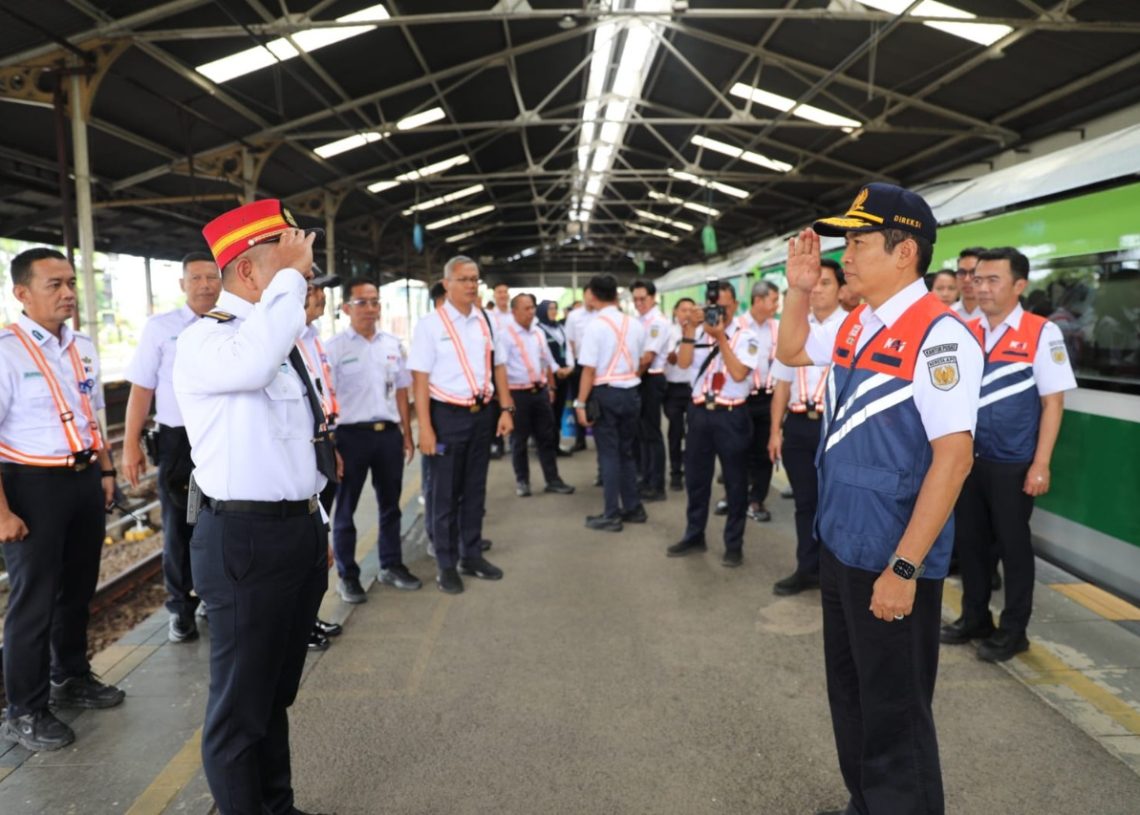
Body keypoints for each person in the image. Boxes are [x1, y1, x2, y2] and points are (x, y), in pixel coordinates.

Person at [777, 183, 982, 815]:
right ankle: (864, 803)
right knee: (852, 692)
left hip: (891, 551)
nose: (846, 255)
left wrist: (904, 568)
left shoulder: (940, 336)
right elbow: (789, 351)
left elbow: (954, 457)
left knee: (895, 708)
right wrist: (797, 287)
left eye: (858, 242)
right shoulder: (856, 322)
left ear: (905, 253)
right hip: (842, 541)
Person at [175, 200, 334, 815]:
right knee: (240, 709)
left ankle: (277, 805)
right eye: (288, 263)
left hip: (293, 534)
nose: (304, 276)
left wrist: (314, 523)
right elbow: (255, 360)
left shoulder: (276, 339)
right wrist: (291, 279)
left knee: (273, 696)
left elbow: (297, 446)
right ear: (248, 273)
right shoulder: (208, 342)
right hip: (242, 538)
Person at [0, 248, 124, 753]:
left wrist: (107, 471)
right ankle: (24, 710)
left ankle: (69, 676)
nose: (68, 293)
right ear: (22, 294)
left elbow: (93, 413)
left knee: (77, 589)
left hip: (83, 480)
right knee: (33, 602)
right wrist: (3, 511)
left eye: (71, 283)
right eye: (54, 284)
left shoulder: (84, 348)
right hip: (31, 487)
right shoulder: (6, 352)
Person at [941, 247, 1076, 662]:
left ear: (1019, 285)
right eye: (977, 279)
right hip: (969, 459)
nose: (980, 287)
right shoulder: (965, 329)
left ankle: (1014, 631)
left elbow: (1053, 403)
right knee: (972, 543)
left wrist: (1040, 463)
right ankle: (975, 618)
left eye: (991, 280)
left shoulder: (1041, 332)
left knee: (1014, 548)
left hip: (1013, 462)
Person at [122, 251, 222, 643]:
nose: (205, 285)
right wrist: (130, 443)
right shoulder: (160, 328)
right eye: (196, 278)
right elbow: (142, 387)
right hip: (179, 442)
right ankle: (181, 608)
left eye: (212, 277)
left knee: (222, 520)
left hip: (223, 436)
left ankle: (214, 597)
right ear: (182, 284)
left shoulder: (234, 323)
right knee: (180, 527)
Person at [410, 256, 512, 594]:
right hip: (446, 417)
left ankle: (471, 555)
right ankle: (445, 563)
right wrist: (424, 428)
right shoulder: (430, 325)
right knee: (444, 495)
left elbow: (498, 367)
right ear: (447, 284)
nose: (471, 285)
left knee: (474, 490)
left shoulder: (485, 321)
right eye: (464, 279)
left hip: (481, 415)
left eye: (475, 279)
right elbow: (420, 381)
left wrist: (505, 409)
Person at [325, 277, 419, 604]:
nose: (369, 308)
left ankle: (391, 565)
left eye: (374, 302)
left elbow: (403, 390)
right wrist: (333, 442)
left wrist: (408, 434)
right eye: (362, 302)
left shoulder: (392, 344)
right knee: (346, 508)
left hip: (388, 436)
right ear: (347, 308)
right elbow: (327, 398)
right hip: (350, 437)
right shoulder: (334, 349)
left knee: (390, 505)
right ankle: (348, 576)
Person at [668, 281, 762, 567]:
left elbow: (737, 373)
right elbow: (683, 364)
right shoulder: (696, 333)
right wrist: (688, 330)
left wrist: (720, 337)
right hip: (699, 413)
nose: (716, 313)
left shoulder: (747, 336)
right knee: (696, 479)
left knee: (735, 482)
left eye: (722, 306)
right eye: (712, 308)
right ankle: (694, 534)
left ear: (734, 304)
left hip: (731, 415)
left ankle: (733, 544)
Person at [767, 259, 846, 596]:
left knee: (838, 503)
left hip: (836, 427)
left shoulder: (853, 329)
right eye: (813, 284)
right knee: (804, 502)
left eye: (825, 283)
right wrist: (775, 431)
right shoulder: (796, 329)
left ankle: (837, 573)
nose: (816, 290)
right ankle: (806, 568)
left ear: (842, 289)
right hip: (799, 426)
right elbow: (782, 386)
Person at [573, 274, 646, 532]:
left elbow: (588, 371)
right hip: (632, 393)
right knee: (625, 452)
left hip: (607, 393)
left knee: (608, 455)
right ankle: (633, 507)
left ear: (592, 294)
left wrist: (580, 404)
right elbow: (638, 361)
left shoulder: (595, 326)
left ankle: (611, 514)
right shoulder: (634, 324)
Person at [296, 274, 346, 650]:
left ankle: (309, 616)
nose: (321, 297)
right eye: (313, 289)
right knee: (308, 538)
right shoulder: (287, 341)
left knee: (320, 536)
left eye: (322, 291)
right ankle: (300, 623)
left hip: (325, 442)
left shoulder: (315, 339)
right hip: (307, 448)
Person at [719, 280, 780, 523]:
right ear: (757, 300)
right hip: (741, 398)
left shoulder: (778, 327)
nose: (776, 305)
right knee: (736, 450)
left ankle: (756, 499)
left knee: (764, 452)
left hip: (769, 398)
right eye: (773, 300)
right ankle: (734, 496)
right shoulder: (737, 327)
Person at [503, 293, 575, 497]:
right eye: (526, 308)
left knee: (546, 437)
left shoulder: (538, 333)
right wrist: (505, 399)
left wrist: (551, 386)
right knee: (519, 440)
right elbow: (500, 368)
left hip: (540, 392)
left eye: (532, 307)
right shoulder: (505, 335)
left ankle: (552, 479)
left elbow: (547, 361)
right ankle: (522, 481)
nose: (531, 312)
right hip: (518, 394)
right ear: (514, 311)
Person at [630, 279, 671, 502]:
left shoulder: (657, 322)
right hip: (641, 379)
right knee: (642, 434)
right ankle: (645, 479)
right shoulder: (639, 320)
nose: (639, 303)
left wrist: (631, 379)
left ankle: (656, 485)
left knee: (652, 434)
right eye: (635, 299)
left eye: (642, 299)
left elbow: (647, 357)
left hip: (651, 379)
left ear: (653, 298)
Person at [663, 298, 695, 491]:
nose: (687, 314)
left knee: (694, 433)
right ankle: (676, 472)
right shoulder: (669, 332)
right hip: (673, 388)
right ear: (675, 312)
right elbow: (671, 359)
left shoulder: (701, 332)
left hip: (693, 389)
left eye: (691, 310)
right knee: (675, 431)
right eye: (683, 310)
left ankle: (691, 468)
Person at [535, 299, 575, 455]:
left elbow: (569, 349)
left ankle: (555, 445)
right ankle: (545, 447)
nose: (553, 311)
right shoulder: (538, 330)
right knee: (547, 414)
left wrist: (569, 367)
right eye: (550, 308)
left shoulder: (560, 328)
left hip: (564, 376)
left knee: (558, 411)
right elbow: (542, 355)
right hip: (549, 376)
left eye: (555, 308)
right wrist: (557, 369)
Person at [564, 297, 595, 452]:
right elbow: (568, 342)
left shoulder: (601, 315)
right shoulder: (574, 316)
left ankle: (599, 437)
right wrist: (571, 365)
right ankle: (580, 439)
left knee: (597, 401)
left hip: (598, 367)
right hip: (579, 364)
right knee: (578, 401)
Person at [487, 281, 512, 459]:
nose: (503, 295)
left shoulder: (514, 315)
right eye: (499, 292)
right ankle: (497, 442)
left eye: (505, 292)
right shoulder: (489, 317)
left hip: (515, 368)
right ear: (494, 295)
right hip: (497, 367)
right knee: (496, 406)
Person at [952, 246, 985, 321]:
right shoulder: (948, 314)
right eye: (962, 272)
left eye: (973, 272)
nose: (967, 279)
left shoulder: (999, 314)